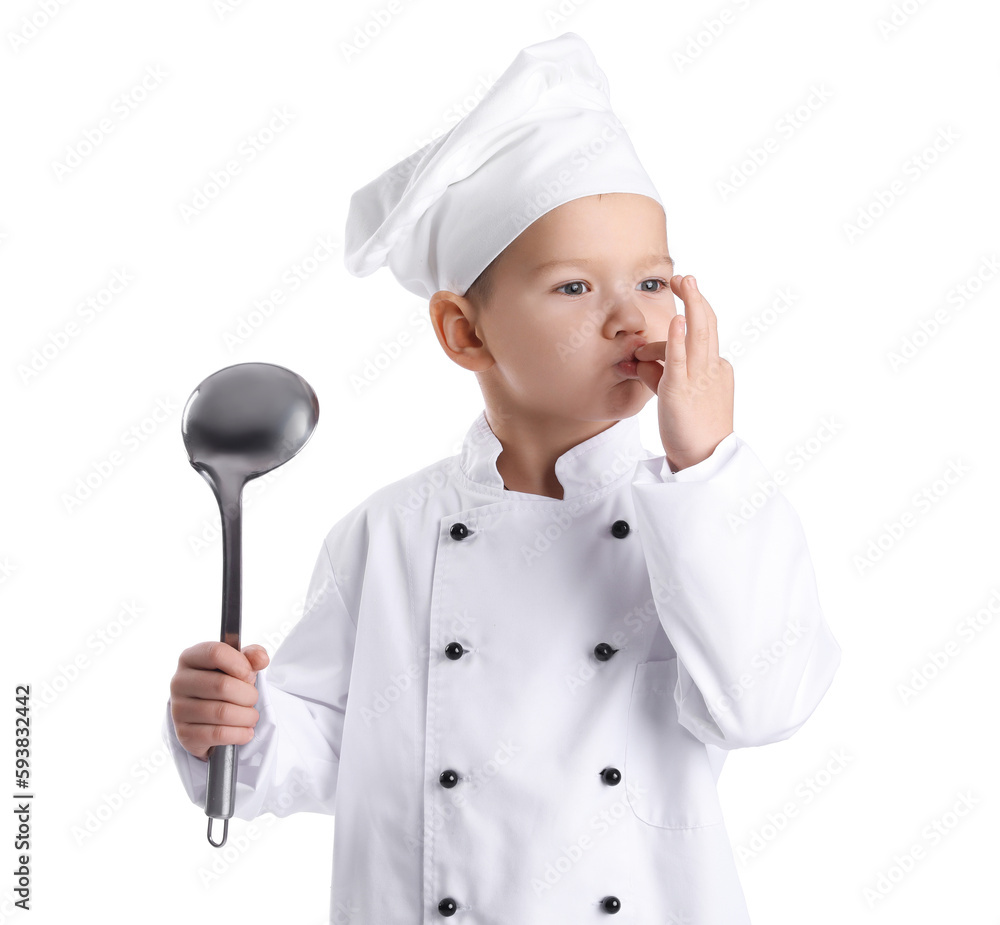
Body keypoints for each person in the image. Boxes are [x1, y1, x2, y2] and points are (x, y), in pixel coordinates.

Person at [162, 31, 841, 923]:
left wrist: (703, 461)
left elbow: (763, 701)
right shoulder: (389, 534)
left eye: (651, 280)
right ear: (464, 333)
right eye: (573, 288)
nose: (629, 318)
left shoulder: (703, 509)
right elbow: (330, 745)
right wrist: (233, 723)